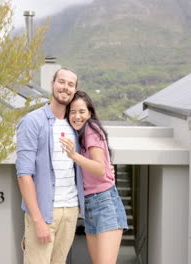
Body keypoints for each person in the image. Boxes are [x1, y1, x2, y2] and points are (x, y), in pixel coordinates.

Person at [15, 68, 85, 264]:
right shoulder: (32, 121)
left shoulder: (76, 124)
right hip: (45, 212)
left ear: (75, 90)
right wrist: (38, 220)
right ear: (52, 84)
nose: (65, 87)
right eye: (61, 82)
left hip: (70, 210)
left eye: (71, 84)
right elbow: (24, 175)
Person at [60, 90, 128, 264]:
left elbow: (100, 170)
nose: (77, 116)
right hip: (90, 206)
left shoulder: (91, 130)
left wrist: (73, 155)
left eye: (82, 111)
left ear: (90, 113)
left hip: (105, 203)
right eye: (72, 112)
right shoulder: (78, 134)